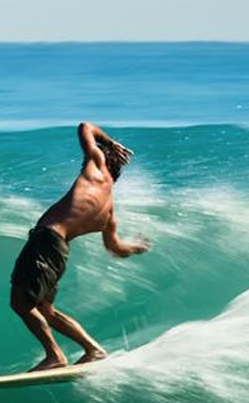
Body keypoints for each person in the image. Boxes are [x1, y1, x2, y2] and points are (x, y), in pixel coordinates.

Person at [10, 122, 149, 371]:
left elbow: (85, 126)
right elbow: (115, 248)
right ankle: (93, 350)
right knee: (46, 310)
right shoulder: (109, 211)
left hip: (46, 242)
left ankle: (55, 356)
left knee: (21, 304)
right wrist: (135, 247)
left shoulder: (96, 169)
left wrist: (109, 143)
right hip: (60, 253)